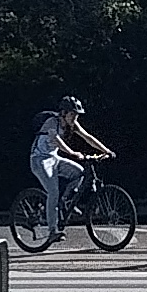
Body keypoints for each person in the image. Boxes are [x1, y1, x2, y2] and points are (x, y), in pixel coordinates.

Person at [24, 93, 110, 239]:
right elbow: (57, 140)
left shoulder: (72, 124)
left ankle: (65, 202)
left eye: (77, 115)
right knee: (53, 191)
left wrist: (106, 150)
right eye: (72, 114)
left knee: (79, 172)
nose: (75, 118)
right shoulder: (52, 122)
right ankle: (52, 231)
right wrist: (72, 152)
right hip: (39, 160)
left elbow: (88, 137)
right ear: (63, 113)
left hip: (53, 158)